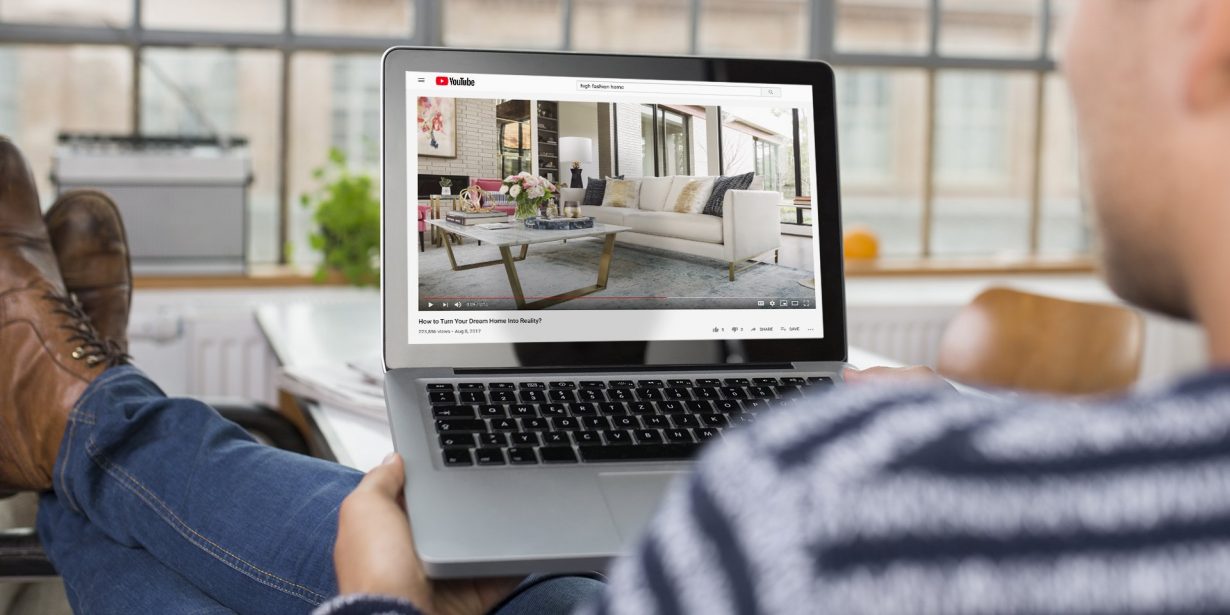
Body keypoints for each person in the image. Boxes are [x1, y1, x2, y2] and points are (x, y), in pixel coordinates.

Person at [5, 0, 1230, 612]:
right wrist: (955, 415)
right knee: (145, 514)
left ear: (1208, 39)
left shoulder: (838, 505)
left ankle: (73, 409)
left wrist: (380, 607)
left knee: (179, 509)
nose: (1066, 43)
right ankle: (74, 416)